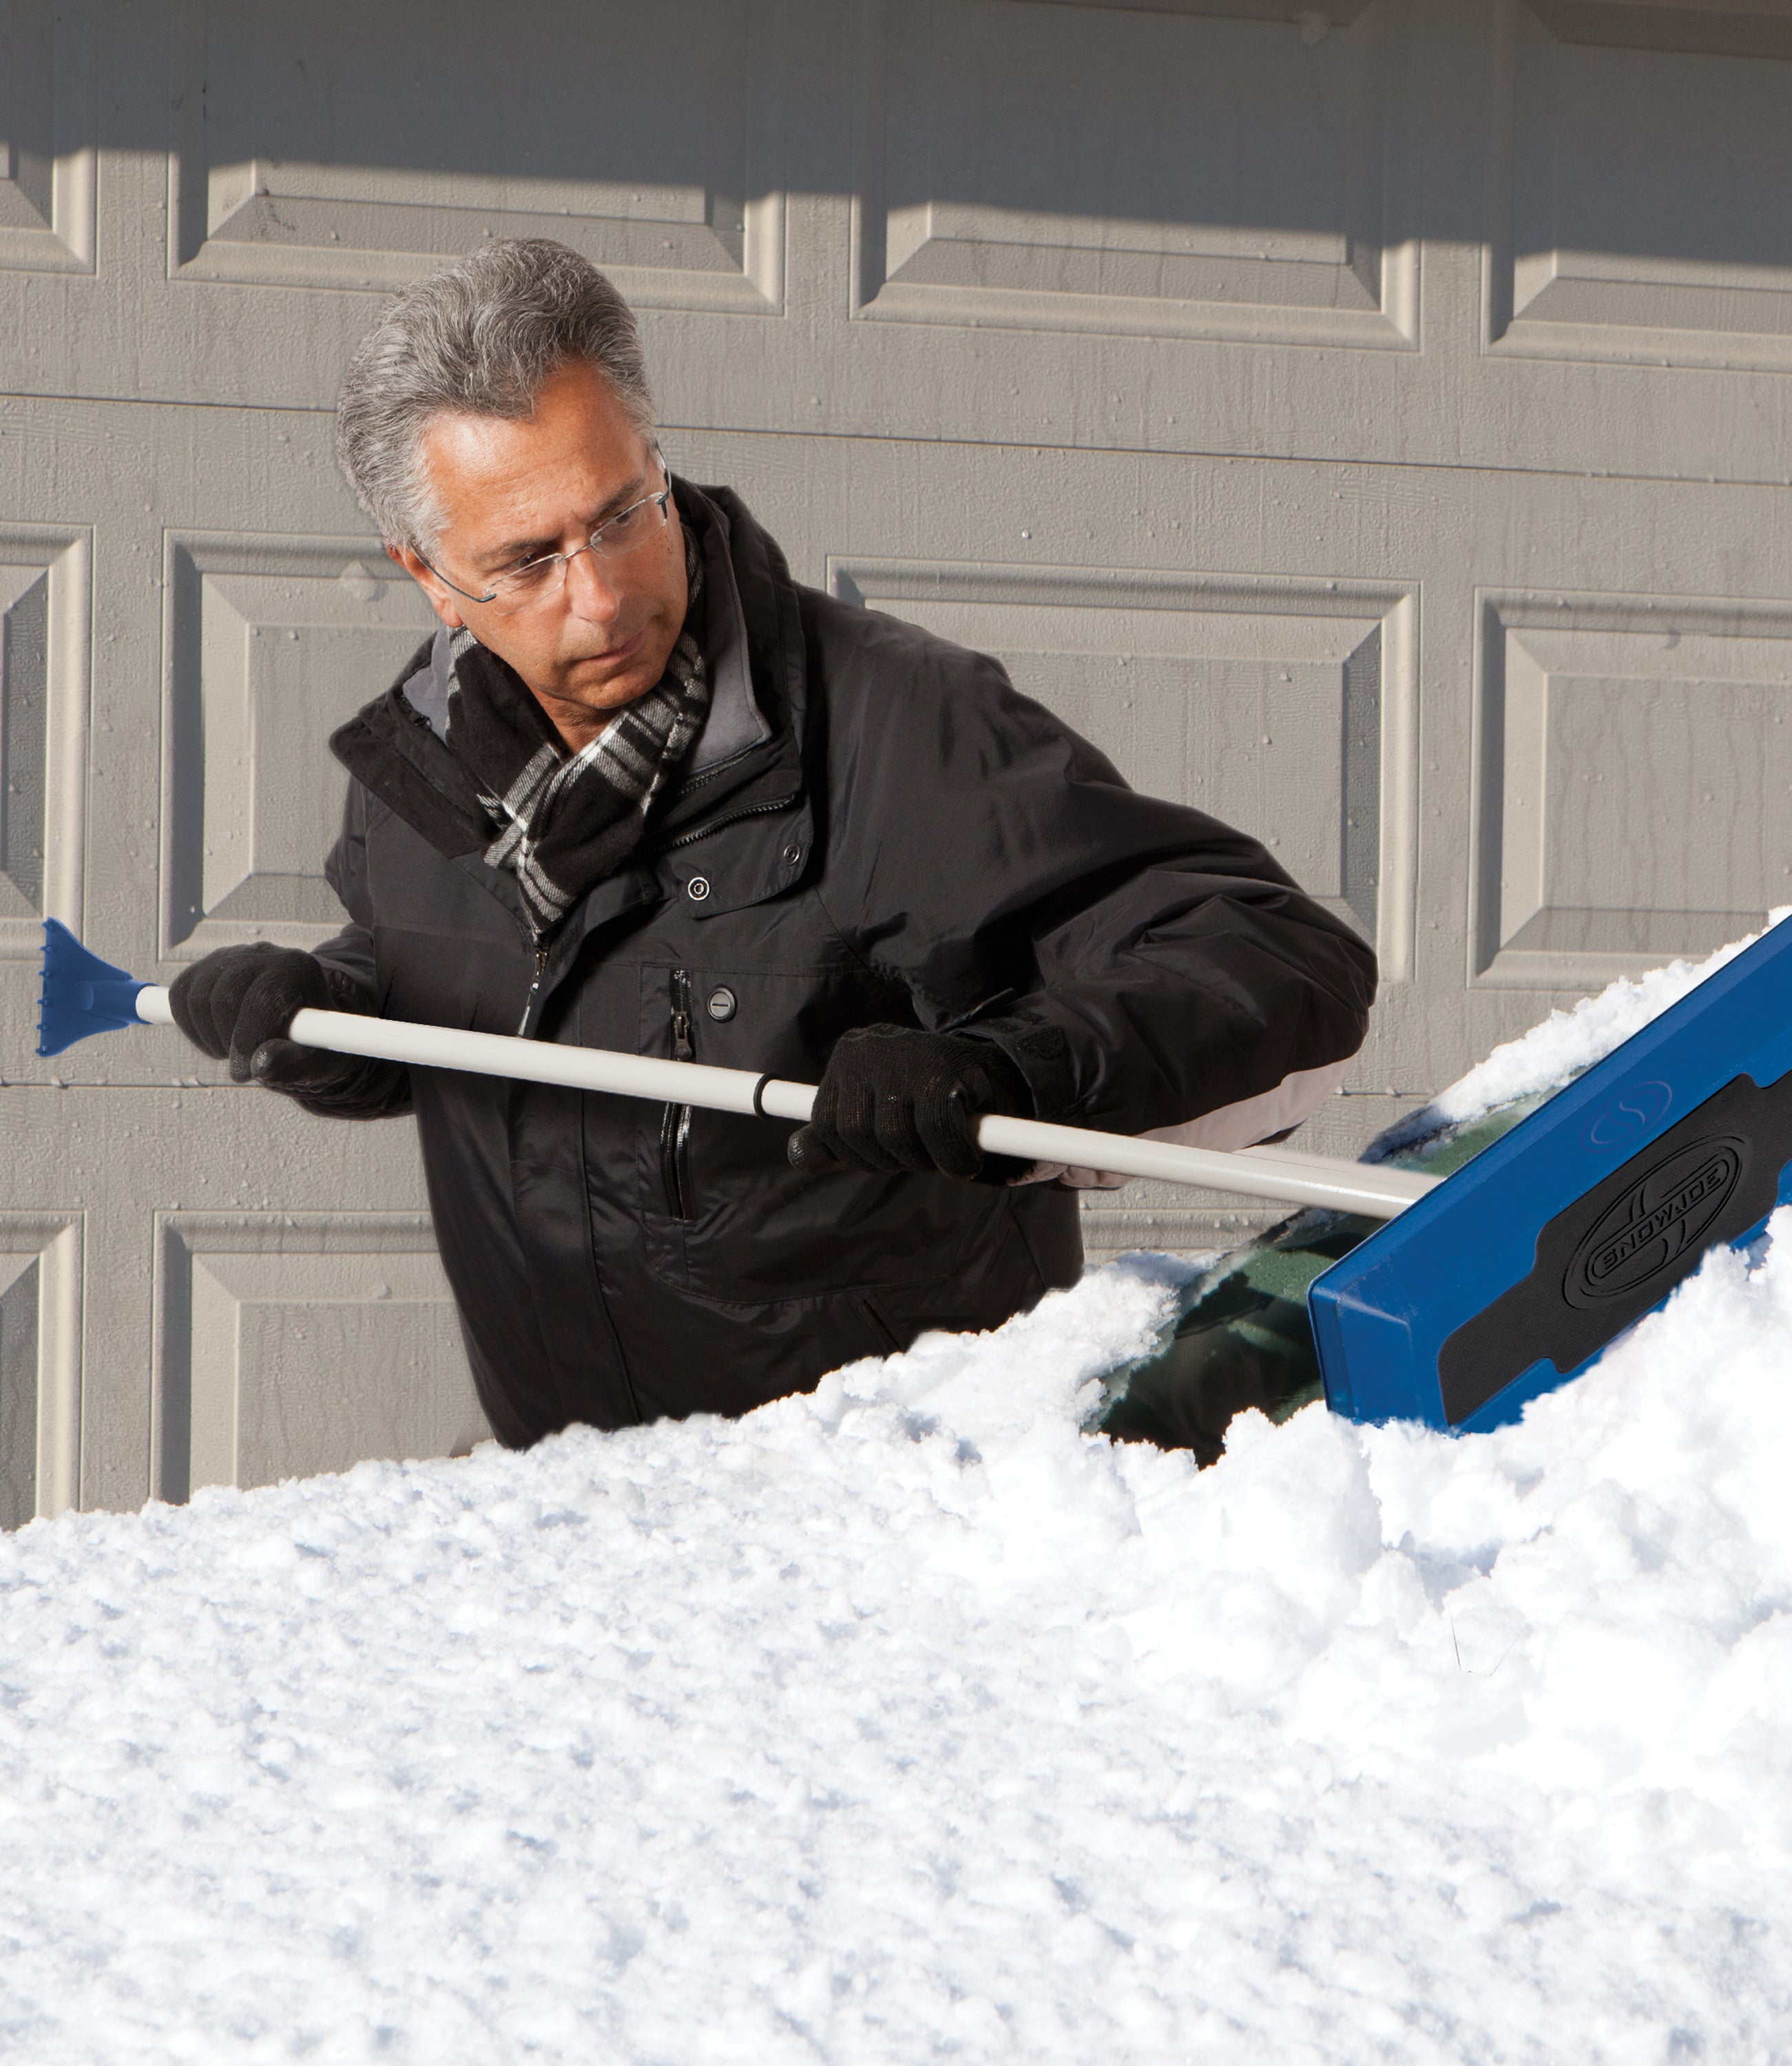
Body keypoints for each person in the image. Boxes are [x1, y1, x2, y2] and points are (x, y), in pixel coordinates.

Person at [168, 239, 1377, 1452]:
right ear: (431, 578)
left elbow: (1277, 964)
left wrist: (1013, 1066)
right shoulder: (428, 768)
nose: (600, 596)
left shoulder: (897, 730)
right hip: (570, 1496)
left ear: (656, 460)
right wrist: (327, 1013)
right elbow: (490, 1006)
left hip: (883, 1507)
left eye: (621, 516)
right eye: (528, 560)